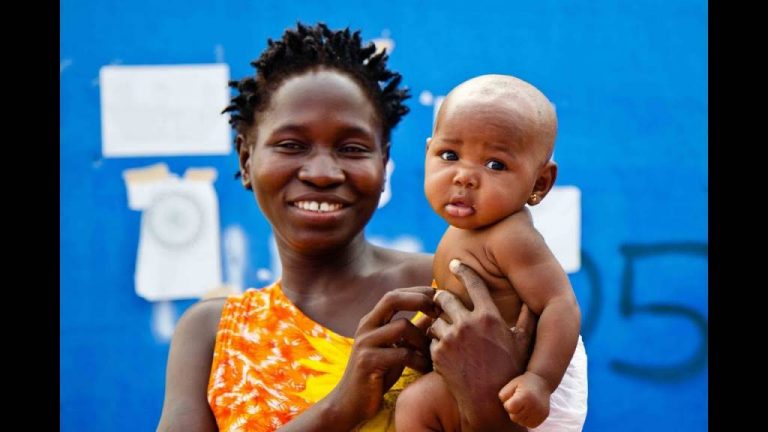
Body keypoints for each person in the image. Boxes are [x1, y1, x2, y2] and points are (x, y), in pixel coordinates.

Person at [156, 23, 536, 432]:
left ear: (383, 162)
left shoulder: (458, 291)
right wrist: (341, 406)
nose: (321, 173)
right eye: (291, 145)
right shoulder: (215, 334)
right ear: (246, 159)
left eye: (352, 148)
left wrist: (484, 399)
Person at [395, 74, 588, 431]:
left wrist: (539, 380)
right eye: (449, 155)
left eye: (495, 164)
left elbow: (560, 304)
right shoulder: (464, 228)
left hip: (519, 385)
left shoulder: (510, 236)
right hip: (480, 375)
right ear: (428, 153)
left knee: (416, 404)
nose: (464, 176)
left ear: (539, 183)